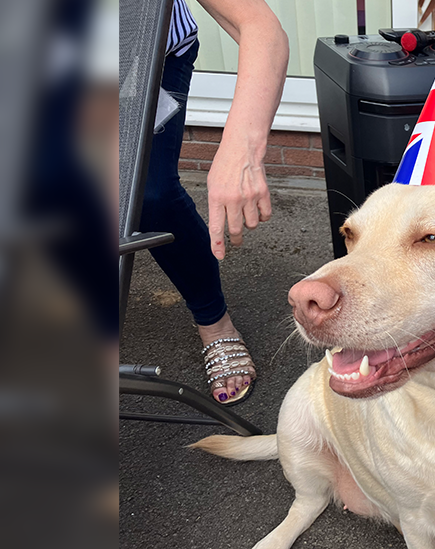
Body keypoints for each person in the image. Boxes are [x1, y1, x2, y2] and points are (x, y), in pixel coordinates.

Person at [142, 0, 288, 404]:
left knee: (151, 196)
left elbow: (261, 29)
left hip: (148, 55)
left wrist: (240, 150)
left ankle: (214, 320)